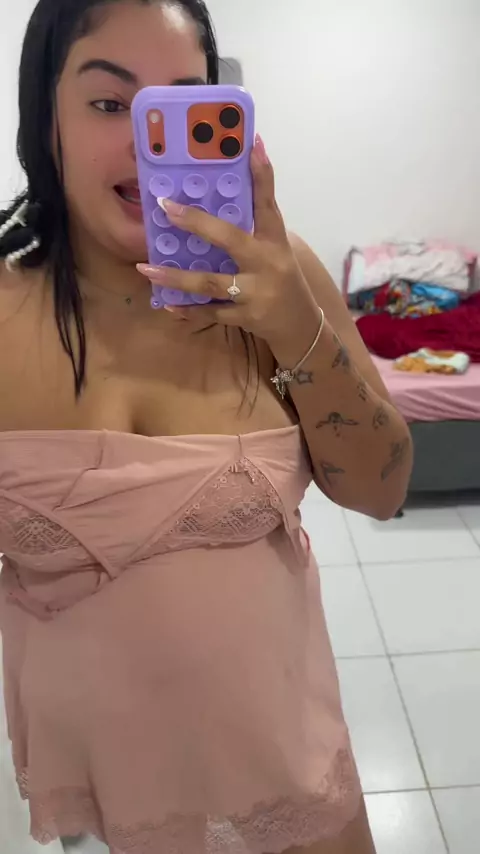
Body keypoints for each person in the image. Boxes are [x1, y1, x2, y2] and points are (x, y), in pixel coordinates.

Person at [0, 1, 413, 853]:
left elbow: (382, 489)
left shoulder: (281, 278)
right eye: (111, 104)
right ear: (46, 119)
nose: (150, 146)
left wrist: (294, 326)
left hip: (286, 772)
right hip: (108, 791)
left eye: (184, 106)